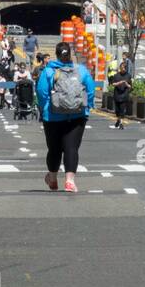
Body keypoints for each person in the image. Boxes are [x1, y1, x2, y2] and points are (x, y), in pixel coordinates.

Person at [36, 41, 95, 194]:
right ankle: (69, 181)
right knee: (72, 148)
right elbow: (90, 91)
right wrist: (86, 107)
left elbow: (42, 93)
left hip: (53, 116)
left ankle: (53, 178)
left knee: (54, 149)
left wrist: (44, 109)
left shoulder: (49, 71)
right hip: (77, 115)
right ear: (70, 54)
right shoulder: (81, 70)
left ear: (56, 54)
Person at [111, 60, 132, 131]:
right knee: (117, 110)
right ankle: (118, 119)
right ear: (120, 68)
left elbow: (130, 86)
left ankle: (121, 123)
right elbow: (113, 84)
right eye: (122, 68)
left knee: (122, 110)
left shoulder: (128, 75)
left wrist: (126, 84)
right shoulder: (116, 75)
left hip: (124, 94)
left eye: (124, 68)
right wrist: (118, 83)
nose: (123, 69)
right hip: (117, 94)